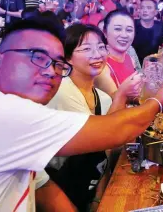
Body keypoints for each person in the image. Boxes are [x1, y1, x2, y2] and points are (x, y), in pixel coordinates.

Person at [0, 18, 163, 211]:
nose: (50, 71)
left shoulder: (13, 117)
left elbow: (42, 186)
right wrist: (157, 102)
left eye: (57, 63)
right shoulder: (1, 112)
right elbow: (111, 132)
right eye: (37, 57)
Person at [46, 24, 142, 211]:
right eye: (86, 49)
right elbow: (103, 137)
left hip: (88, 190)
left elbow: (107, 151)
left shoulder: (103, 97)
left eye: (100, 47)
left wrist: (98, 197)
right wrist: (122, 94)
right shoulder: (63, 91)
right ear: (68, 58)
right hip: (58, 193)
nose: (97, 54)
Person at [95, 10, 137, 92]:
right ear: (105, 32)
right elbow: (115, 102)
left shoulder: (129, 59)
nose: (124, 35)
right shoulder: (101, 66)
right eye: (118, 29)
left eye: (129, 30)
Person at [132, 0, 163, 65]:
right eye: (142, 8)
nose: (145, 10)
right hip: (133, 66)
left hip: (154, 66)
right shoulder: (131, 25)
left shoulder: (161, 26)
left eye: (149, 8)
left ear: (156, 12)